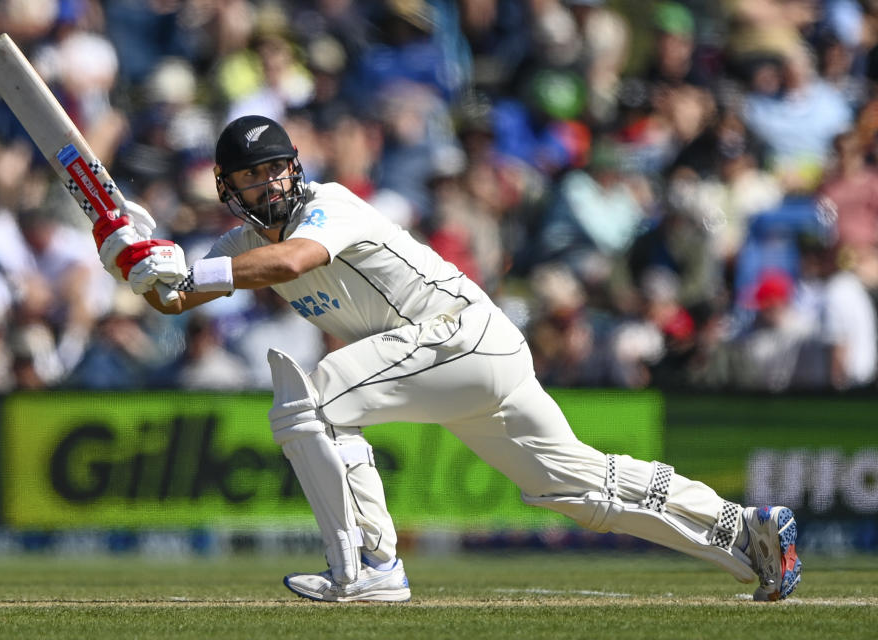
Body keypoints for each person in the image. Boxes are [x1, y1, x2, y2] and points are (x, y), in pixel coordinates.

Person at [103, 115, 801, 603]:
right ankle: (745, 531)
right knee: (580, 492)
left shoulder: (331, 205)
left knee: (314, 402)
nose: (271, 187)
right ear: (230, 191)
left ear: (297, 169)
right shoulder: (235, 249)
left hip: (458, 335)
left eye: (277, 171)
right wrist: (132, 260)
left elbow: (292, 260)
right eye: (253, 180)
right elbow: (172, 300)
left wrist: (184, 273)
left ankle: (372, 567)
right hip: (462, 358)